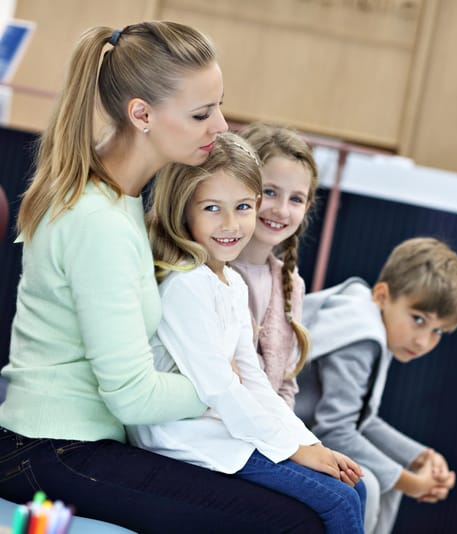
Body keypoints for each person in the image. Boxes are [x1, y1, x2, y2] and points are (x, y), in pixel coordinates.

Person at [0, 22, 325, 533]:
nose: (220, 126)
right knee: (292, 522)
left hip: (78, 442)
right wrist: (219, 383)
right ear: (142, 115)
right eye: (201, 113)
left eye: (219, 105)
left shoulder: (123, 200)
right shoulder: (97, 221)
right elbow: (131, 394)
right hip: (51, 451)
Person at [128, 132, 366, 534]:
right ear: (185, 210)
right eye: (212, 208)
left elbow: (253, 378)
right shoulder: (185, 284)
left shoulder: (231, 284)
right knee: (337, 502)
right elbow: (220, 387)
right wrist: (292, 448)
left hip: (227, 428)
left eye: (241, 207)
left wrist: (309, 443)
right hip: (187, 438)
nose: (230, 224)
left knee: (351, 491)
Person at [295, 237, 457, 534]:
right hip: (280, 434)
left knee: (390, 480)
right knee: (371, 484)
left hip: (303, 430)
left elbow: (360, 417)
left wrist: (420, 456)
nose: (423, 341)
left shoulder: (371, 317)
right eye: (418, 319)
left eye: (437, 330)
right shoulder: (362, 338)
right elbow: (334, 429)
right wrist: (411, 482)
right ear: (382, 295)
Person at [230, 123, 318, 410]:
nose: (281, 210)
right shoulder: (211, 270)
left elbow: (286, 385)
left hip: (265, 433)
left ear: (307, 207)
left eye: (295, 199)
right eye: (270, 192)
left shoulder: (292, 284)